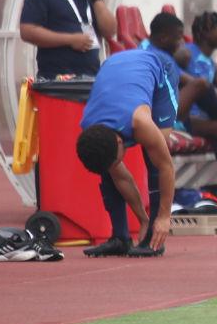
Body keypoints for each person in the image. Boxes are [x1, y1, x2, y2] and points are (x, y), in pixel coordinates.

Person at [75, 48, 205, 257]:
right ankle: (120, 237)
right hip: (117, 68)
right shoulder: (90, 127)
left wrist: (163, 217)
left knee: (155, 156)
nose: (115, 167)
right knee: (108, 169)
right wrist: (142, 218)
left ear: (120, 140)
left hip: (159, 67)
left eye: (115, 160)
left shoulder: (140, 121)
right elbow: (120, 176)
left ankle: (154, 237)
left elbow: (167, 167)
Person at [184, 11, 217, 208]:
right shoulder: (187, 53)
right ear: (205, 32)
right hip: (186, 117)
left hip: (207, 120)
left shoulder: (212, 66)